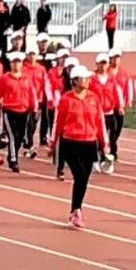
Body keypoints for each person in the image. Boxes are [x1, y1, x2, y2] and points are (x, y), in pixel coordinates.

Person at [51, 64, 107, 228]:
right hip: (71, 142)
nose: (88, 80)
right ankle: (76, 211)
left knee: (84, 178)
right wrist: (53, 143)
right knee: (80, 175)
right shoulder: (66, 99)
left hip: (89, 142)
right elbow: (58, 122)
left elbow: (100, 121)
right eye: (85, 78)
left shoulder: (93, 98)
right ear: (75, 81)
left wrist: (104, 143)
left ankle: (76, 210)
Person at [0, 52, 35, 173]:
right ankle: (13, 160)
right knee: (12, 136)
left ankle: (12, 155)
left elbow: (31, 92)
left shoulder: (26, 77)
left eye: (18, 62)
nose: (16, 64)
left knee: (20, 136)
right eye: (14, 62)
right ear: (10, 63)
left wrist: (33, 107)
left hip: (24, 110)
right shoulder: (5, 78)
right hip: (9, 110)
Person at [88, 52, 123, 174]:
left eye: (105, 63)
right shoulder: (91, 78)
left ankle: (108, 159)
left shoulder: (111, 77)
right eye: (101, 63)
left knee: (111, 136)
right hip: (96, 113)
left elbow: (116, 91)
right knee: (96, 137)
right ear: (96, 64)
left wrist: (120, 105)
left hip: (109, 111)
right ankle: (95, 159)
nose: (103, 65)